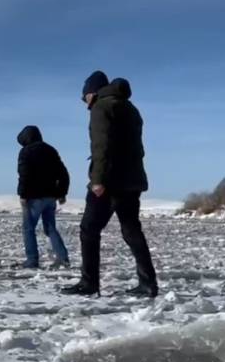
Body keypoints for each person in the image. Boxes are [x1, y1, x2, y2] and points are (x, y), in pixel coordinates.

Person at [62, 71, 158, 298]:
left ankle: (89, 283)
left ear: (93, 92)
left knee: (89, 229)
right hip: (132, 180)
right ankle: (148, 283)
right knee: (131, 230)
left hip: (110, 180)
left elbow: (101, 145)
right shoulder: (131, 108)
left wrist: (98, 179)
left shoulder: (101, 107)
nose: (84, 101)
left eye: (85, 96)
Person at [16, 125, 70, 268]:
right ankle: (63, 258)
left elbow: (24, 174)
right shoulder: (51, 150)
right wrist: (61, 193)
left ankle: (32, 260)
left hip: (33, 197)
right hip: (50, 197)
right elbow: (63, 173)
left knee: (28, 228)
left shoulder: (26, 152)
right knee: (50, 228)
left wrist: (23, 194)